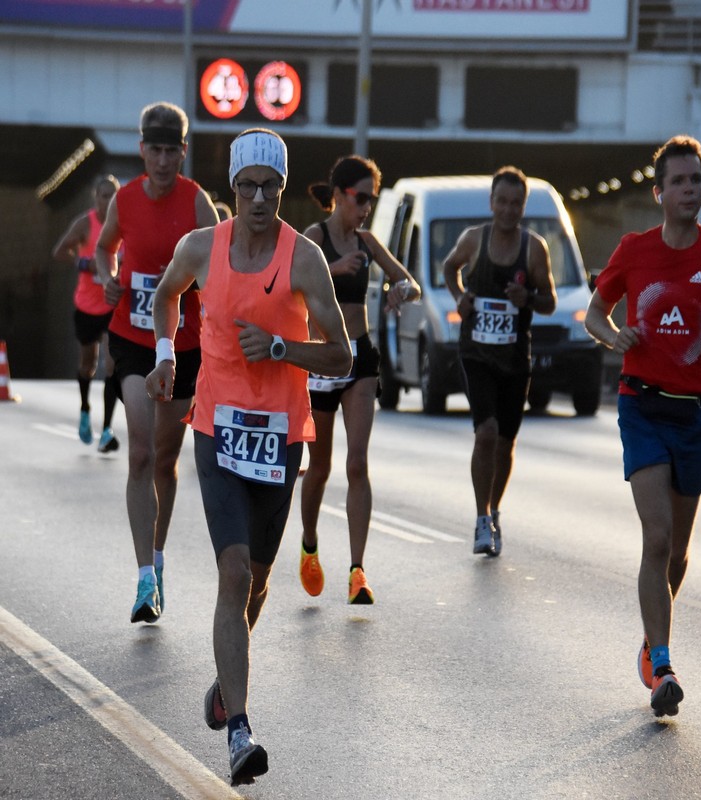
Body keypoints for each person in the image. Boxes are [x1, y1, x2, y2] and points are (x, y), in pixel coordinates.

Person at [145, 128, 351, 785]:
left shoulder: (304, 259)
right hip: (217, 425)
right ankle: (240, 734)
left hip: (282, 435)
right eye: (247, 186)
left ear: (284, 190)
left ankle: (227, 679)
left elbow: (342, 354)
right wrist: (166, 354)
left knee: (258, 580)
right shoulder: (201, 248)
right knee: (233, 574)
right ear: (231, 189)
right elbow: (165, 294)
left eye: (271, 186)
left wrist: (285, 349)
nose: (259, 198)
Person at [584, 135, 701, 718]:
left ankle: (650, 634)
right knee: (655, 537)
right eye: (679, 182)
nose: (690, 191)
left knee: (678, 552)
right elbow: (593, 314)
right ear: (659, 193)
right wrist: (616, 336)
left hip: (696, 413)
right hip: (642, 405)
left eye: (697, 181)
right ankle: (661, 664)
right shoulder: (634, 250)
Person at [95, 101, 219, 624]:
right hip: (132, 337)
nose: (164, 161)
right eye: (155, 150)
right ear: (141, 149)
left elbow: (218, 271)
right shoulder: (123, 200)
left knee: (165, 462)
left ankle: (160, 559)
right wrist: (108, 274)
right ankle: (144, 576)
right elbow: (106, 249)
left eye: (173, 151)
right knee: (141, 454)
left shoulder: (198, 206)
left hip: (185, 346)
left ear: (183, 153)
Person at [299, 155, 420, 604]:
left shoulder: (368, 242)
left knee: (357, 464)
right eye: (361, 197)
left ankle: (357, 571)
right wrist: (332, 271)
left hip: (360, 357)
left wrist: (401, 291)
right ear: (339, 195)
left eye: (372, 198)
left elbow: (407, 282)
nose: (366, 207)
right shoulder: (313, 240)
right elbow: (290, 287)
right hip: (321, 359)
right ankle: (310, 544)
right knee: (321, 467)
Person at [443, 166, 556, 557]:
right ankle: (479, 519)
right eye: (502, 201)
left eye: (516, 203)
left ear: (523, 207)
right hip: (476, 353)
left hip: (514, 357)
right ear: (491, 203)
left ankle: (494, 510)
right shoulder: (474, 240)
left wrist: (529, 300)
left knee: (506, 442)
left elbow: (550, 301)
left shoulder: (534, 248)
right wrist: (460, 296)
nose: (508, 210)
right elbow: (448, 267)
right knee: (486, 431)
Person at [51, 174, 121, 452]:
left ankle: (106, 429)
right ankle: (84, 409)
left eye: (113, 195)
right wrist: (84, 263)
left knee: (112, 365)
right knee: (87, 363)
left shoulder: (123, 224)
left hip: (113, 303)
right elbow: (58, 251)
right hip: (87, 305)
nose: (109, 201)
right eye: (104, 195)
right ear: (96, 198)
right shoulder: (85, 223)